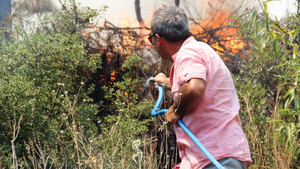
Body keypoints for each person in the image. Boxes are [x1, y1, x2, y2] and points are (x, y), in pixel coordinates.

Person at [149, 6, 252, 169]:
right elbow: (196, 85)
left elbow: (194, 88)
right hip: (218, 155)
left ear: (157, 39)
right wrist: (167, 82)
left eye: (151, 40)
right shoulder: (199, 50)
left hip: (215, 156)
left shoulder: (188, 53)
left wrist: (175, 111)